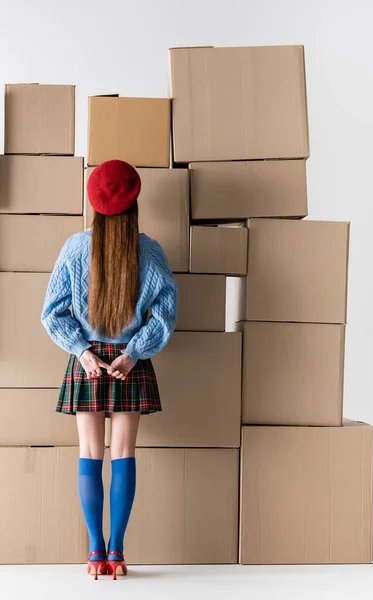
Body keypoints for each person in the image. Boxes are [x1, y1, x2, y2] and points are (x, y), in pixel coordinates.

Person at [41, 159, 178, 580]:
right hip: (126, 364)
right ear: (134, 203)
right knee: (123, 455)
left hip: (89, 365)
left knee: (90, 454)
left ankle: (94, 552)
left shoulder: (74, 248)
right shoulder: (150, 251)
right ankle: (117, 553)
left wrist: (82, 352)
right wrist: (134, 353)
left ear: (93, 204)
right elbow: (165, 315)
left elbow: (52, 313)